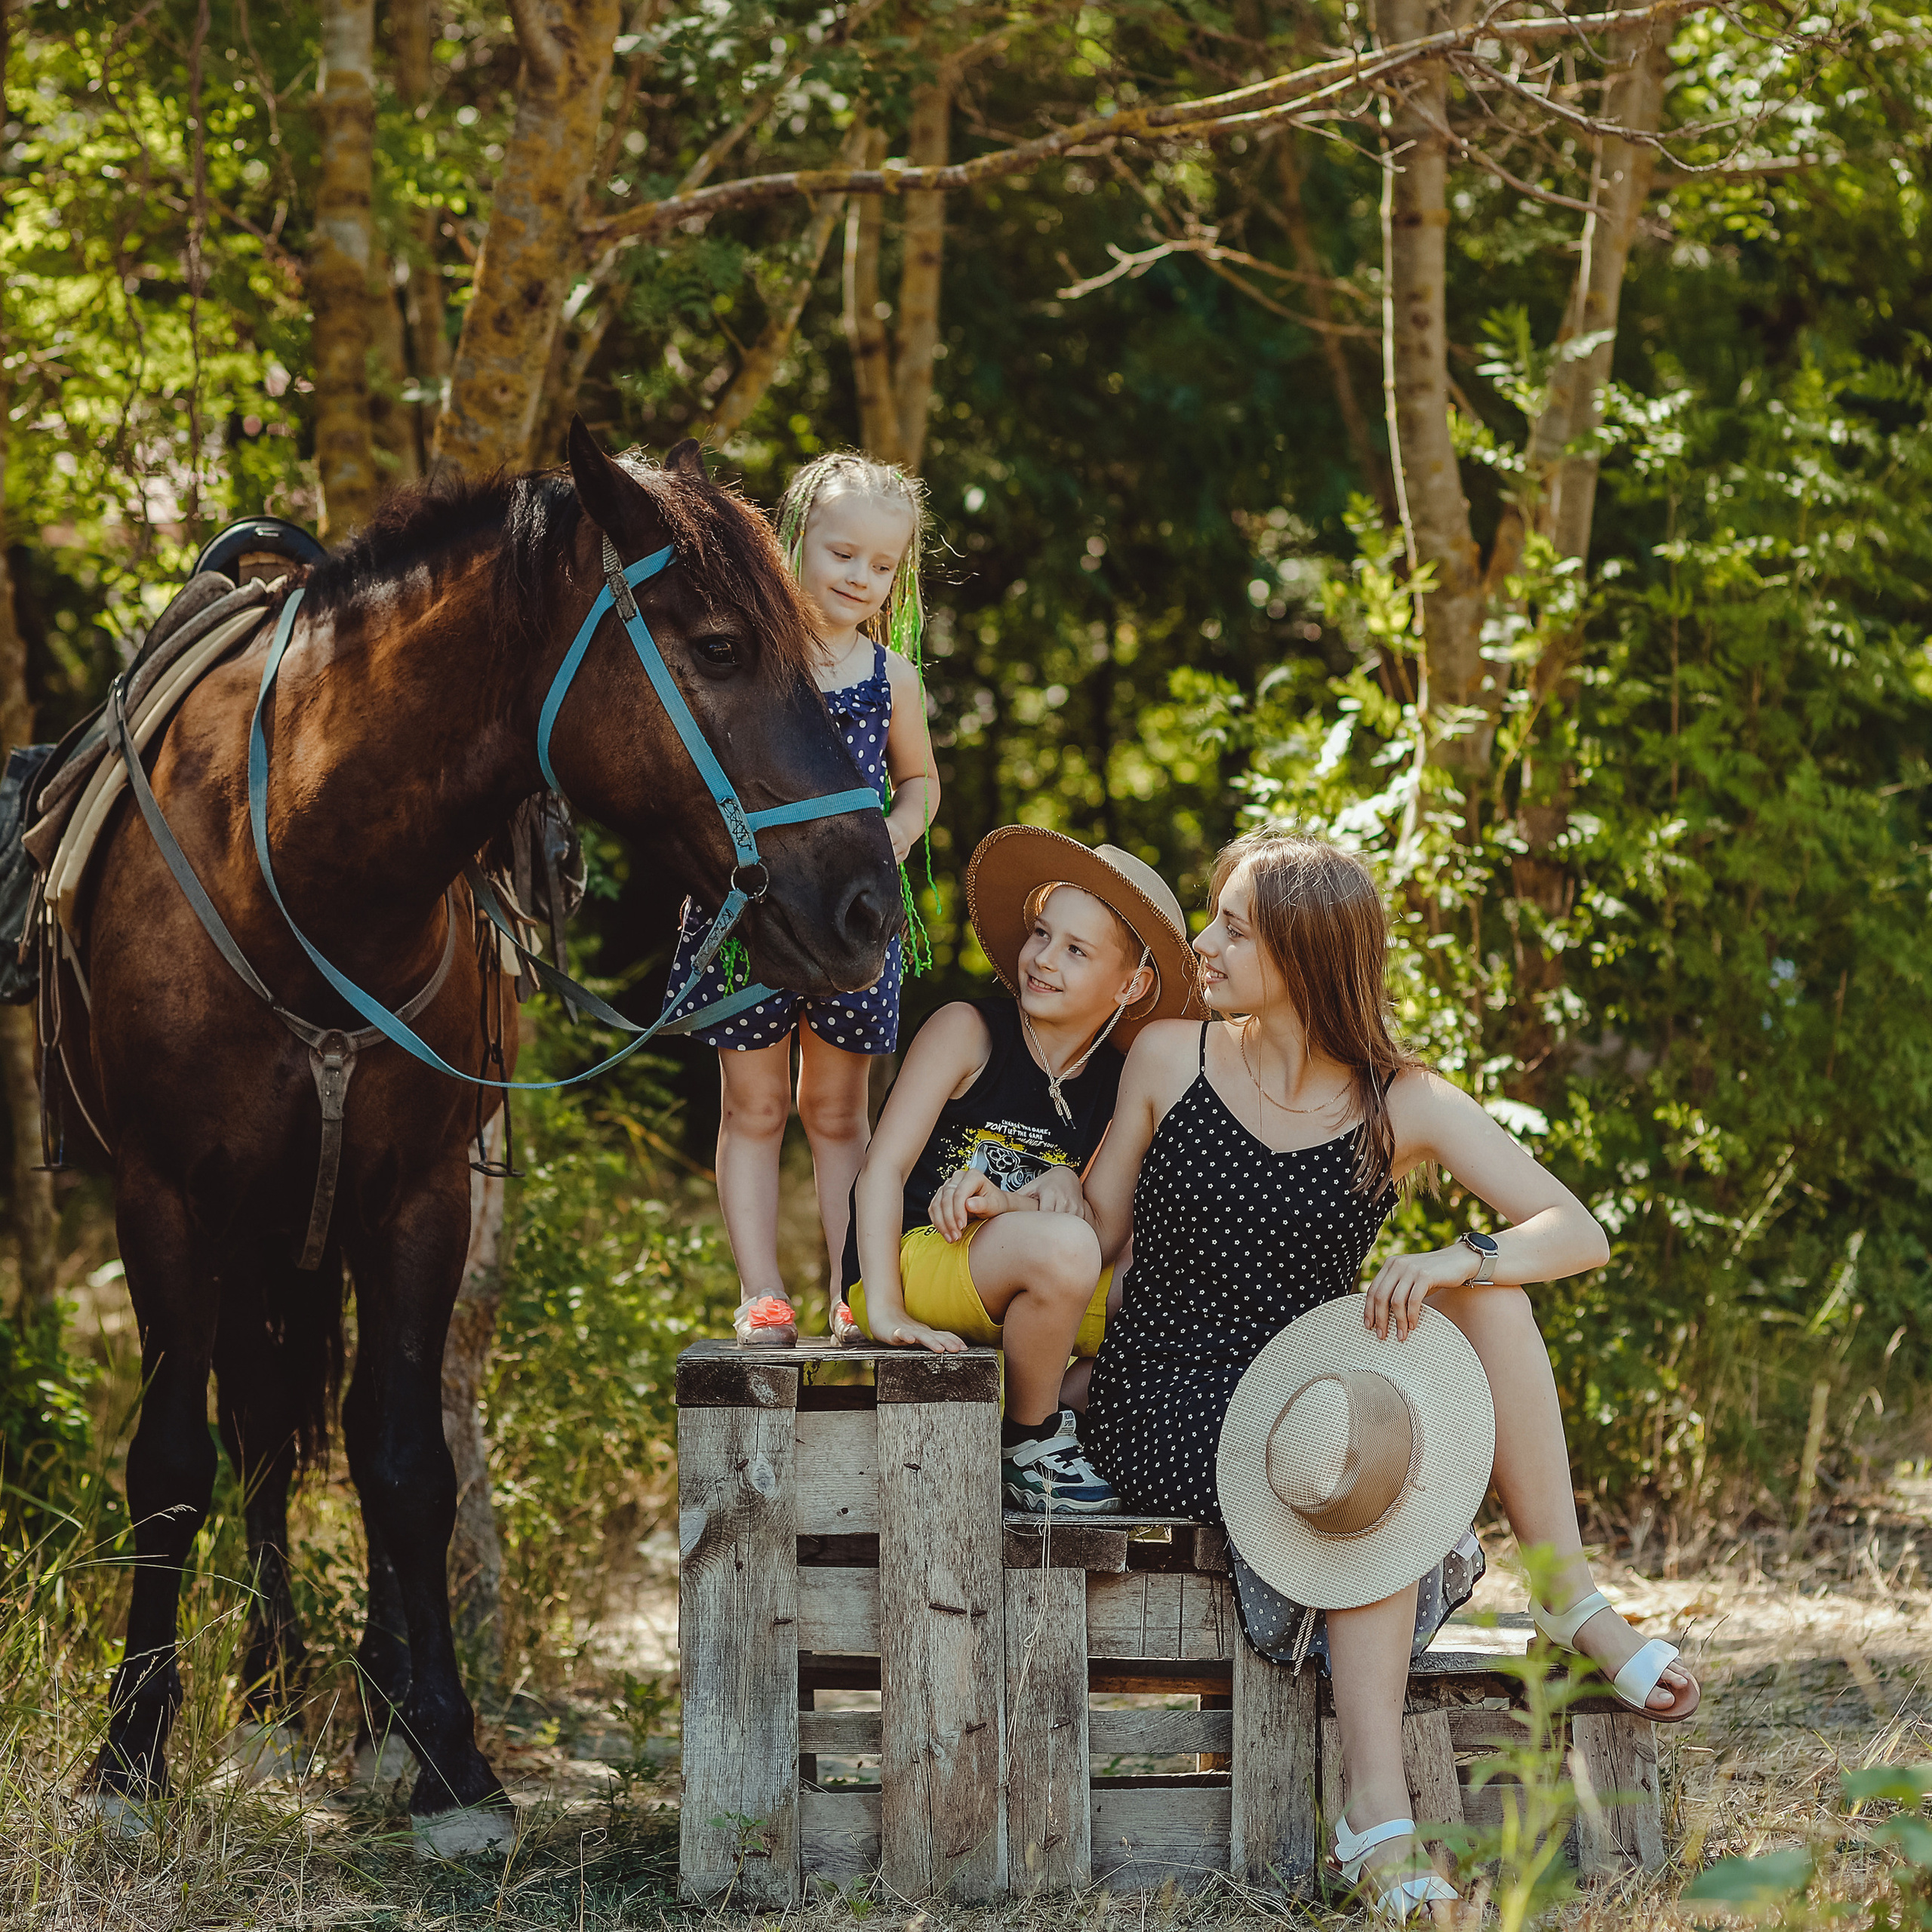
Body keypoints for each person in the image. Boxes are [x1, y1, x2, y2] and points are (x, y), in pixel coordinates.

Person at [964, 829, 1699, 1916]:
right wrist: (1026, 1197)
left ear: (1304, 954)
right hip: (1167, 1394)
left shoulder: (1401, 1101)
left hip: (1313, 1380)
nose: (1203, 945)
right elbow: (1097, 1227)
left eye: (1233, 928)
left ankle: (1565, 1594)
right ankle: (1377, 1813)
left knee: (1490, 1298)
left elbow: (1574, 1229)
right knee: (1365, 1460)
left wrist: (1457, 1257)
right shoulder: (1171, 1058)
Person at [660, 453, 942, 1347]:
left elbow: (920, 781)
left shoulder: (892, 678)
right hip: (749, 916)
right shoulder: (746, 663)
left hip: (851, 922)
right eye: (842, 553)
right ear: (793, 542)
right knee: (753, 1110)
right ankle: (760, 1292)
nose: (861, 577)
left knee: (837, 1113)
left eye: (882, 564)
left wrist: (898, 832)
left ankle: (850, 1288)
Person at [846, 826, 1202, 1512]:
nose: (1043, 958)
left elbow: (1099, 1235)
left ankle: (1052, 1407)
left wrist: (1052, 1189)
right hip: (921, 1261)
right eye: (1042, 934)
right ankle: (1028, 1442)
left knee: (1182, 1290)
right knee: (1062, 1247)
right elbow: (881, 1171)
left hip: (1033, 1279)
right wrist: (882, 1306)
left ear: (1131, 985)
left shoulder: (1125, 1082)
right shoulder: (968, 1031)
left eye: (1076, 950)